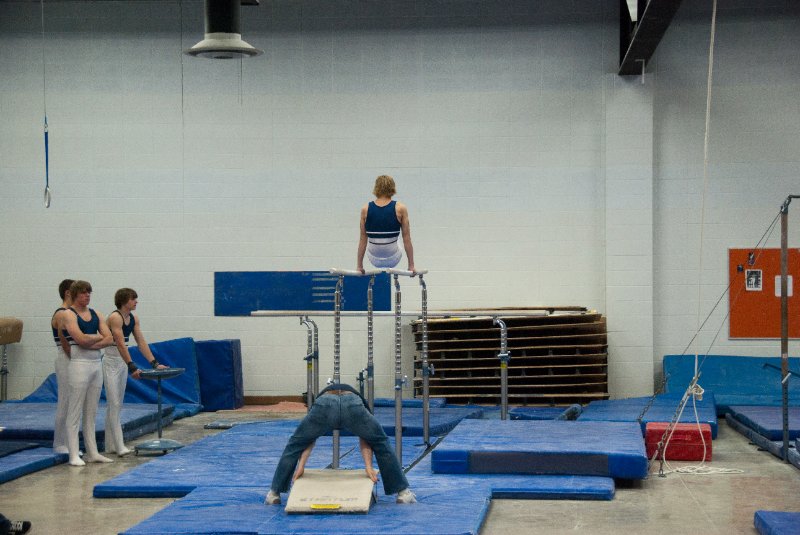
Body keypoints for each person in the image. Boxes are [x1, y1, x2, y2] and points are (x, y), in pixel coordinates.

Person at [265, 383, 416, 505]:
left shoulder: (318, 404)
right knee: (380, 441)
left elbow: (308, 439)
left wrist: (301, 466)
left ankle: (274, 493)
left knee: (295, 444)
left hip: (325, 403)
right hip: (352, 403)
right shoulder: (362, 404)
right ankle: (403, 493)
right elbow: (366, 438)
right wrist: (368, 467)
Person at [103, 288, 167, 456]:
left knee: (117, 404)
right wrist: (132, 366)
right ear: (124, 301)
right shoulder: (115, 317)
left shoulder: (133, 319)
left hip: (122, 363)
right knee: (113, 403)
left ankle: (110, 445)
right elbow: (120, 344)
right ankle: (119, 445)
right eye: (133, 299)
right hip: (111, 362)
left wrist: (154, 363)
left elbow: (141, 342)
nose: (136, 301)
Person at [61, 280, 114, 466]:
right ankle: (73, 455)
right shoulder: (68, 314)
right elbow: (80, 340)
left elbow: (110, 339)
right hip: (79, 364)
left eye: (89, 292)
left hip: (95, 364)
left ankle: (93, 453)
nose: (87, 296)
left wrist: (91, 341)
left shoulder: (96, 314)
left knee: (91, 412)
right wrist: (97, 338)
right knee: (74, 411)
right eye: (84, 293)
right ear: (75, 294)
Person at [357, 175, 415, 273]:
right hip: (393, 258)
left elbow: (362, 240)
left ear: (376, 188)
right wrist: (411, 266)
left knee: (366, 237)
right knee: (402, 237)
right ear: (392, 188)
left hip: (373, 259)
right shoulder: (400, 208)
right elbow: (407, 239)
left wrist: (359, 266)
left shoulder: (365, 209)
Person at [51, 278, 74, 454]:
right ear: (67, 293)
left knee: (73, 402)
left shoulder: (72, 313)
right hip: (66, 358)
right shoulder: (61, 314)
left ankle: (70, 441)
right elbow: (65, 342)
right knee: (65, 401)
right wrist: (76, 359)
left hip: (74, 357)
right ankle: (59, 443)